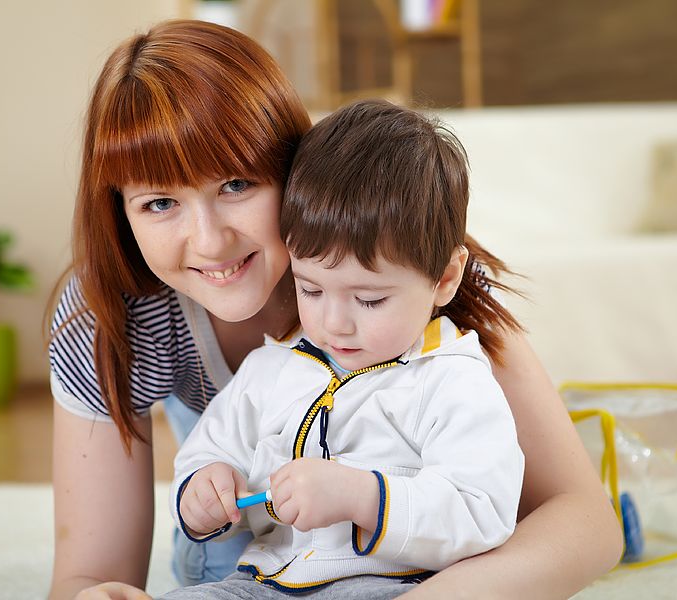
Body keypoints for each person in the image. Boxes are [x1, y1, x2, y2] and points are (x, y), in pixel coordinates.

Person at [47, 19, 622, 600]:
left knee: (501, 528)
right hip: (261, 512)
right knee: (212, 564)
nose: (210, 241)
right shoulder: (111, 314)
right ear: (120, 211)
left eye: (237, 184)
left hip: (413, 506)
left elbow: (585, 523)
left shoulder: (405, 268)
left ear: (291, 171)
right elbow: (91, 575)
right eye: (160, 202)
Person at [160, 99, 525, 599]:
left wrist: (363, 497)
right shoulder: (271, 368)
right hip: (264, 583)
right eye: (310, 289)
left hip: (388, 585)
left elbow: (482, 510)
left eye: (370, 299)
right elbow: (211, 447)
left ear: (444, 278)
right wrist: (203, 490)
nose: (333, 323)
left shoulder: (451, 381)